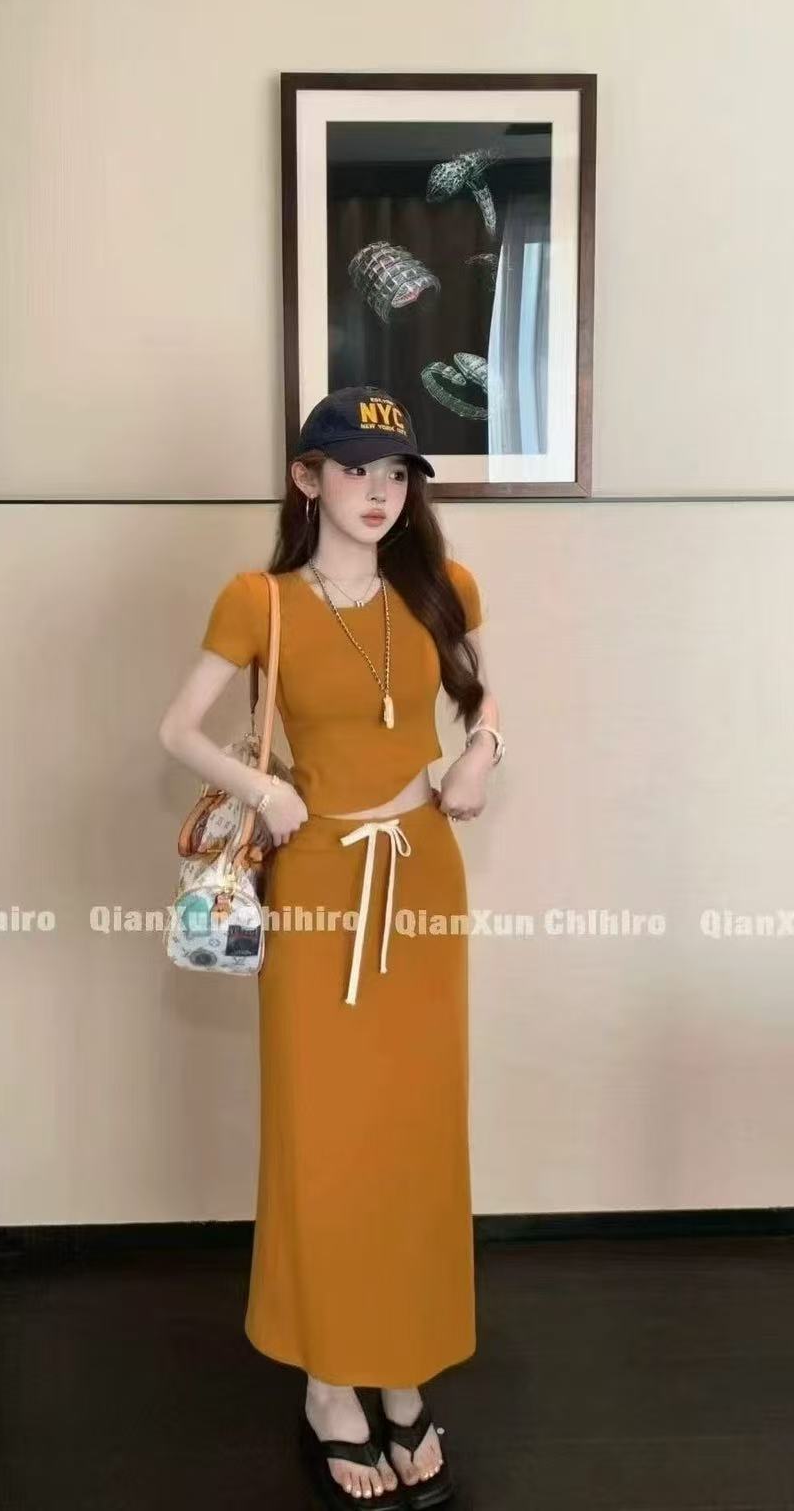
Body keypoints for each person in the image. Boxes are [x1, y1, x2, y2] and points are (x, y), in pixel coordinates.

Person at [158, 385, 504, 1508]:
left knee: (413, 1133)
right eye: (355, 469)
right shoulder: (257, 599)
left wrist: (479, 758)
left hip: (422, 881)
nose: (378, 491)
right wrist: (263, 788)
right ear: (307, 478)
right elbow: (176, 729)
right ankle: (327, 1384)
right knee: (323, 1135)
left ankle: (401, 1369)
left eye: (396, 473)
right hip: (316, 888)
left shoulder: (443, 586)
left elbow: (481, 704)